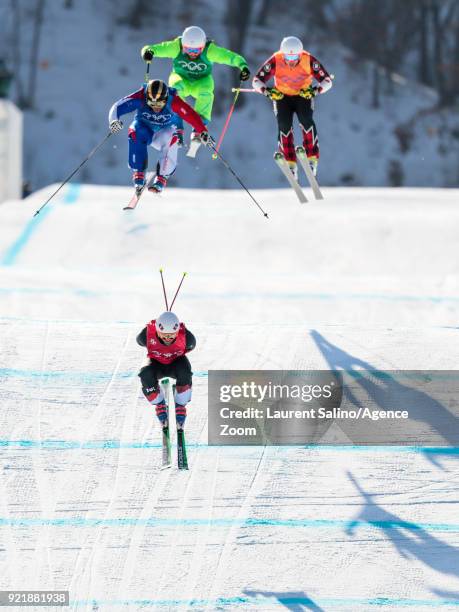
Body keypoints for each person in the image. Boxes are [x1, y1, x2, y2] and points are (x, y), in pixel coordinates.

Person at [141, 26, 250, 147]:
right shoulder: (176, 47)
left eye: (197, 51)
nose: (193, 54)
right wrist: (148, 53)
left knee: (206, 91)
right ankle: (176, 127)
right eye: (189, 50)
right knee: (176, 89)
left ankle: (199, 128)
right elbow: (154, 49)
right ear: (183, 45)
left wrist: (243, 66)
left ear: (203, 46)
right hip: (182, 78)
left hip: (201, 81)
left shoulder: (210, 50)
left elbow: (230, 57)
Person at [108, 79, 213, 193]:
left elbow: (191, 115)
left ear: (166, 98)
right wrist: (114, 121)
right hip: (145, 131)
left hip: (162, 133)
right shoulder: (140, 97)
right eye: (152, 104)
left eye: (159, 103)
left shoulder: (174, 101)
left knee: (172, 135)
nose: (156, 108)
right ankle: (139, 173)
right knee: (134, 130)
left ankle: (162, 177)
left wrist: (203, 132)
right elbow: (118, 106)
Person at [252, 36, 333, 177]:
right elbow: (256, 81)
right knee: (284, 125)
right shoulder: (275, 60)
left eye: (295, 57)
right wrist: (268, 92)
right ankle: (290, 162)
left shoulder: (308, 60)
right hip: (282, 97)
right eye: (287, 57)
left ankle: (312, 158)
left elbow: (327, 81)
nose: (291, 61)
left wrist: (314, 90)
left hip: (303, 96)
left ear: (300, 53)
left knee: (306, 119)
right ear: (282, 54)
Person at [136, 311, 196, 429]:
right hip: (156, 363)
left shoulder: (187, 338)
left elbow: (191, 346)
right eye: (164, 334)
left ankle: (180, 403)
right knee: (145, 373)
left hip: (176, 363)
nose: (167, 338)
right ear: (157, 330)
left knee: (185, 371)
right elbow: (139, 341)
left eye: (172, 334)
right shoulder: (147, 334)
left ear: (177, 331)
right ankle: (159, 402)